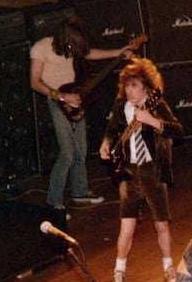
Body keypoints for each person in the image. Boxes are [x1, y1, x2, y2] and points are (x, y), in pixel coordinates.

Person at [98, 57, 183, 282]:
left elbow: (178, 130)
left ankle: (168, 266)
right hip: (128, 172)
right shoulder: (121, 107)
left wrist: (153, 121)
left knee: (162, 225)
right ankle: (119, 271)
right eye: (126, 85)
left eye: (134, 85)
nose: (129, 90)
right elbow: (112, 129)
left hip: (152, 172)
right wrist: (106, 143)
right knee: (126, 228)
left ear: (146, 86)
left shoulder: (156, 105)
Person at [30, 16, 131, 213]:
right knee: (67, 152)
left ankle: (80, 191)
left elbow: (89, 53)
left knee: (81, 150)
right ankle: (53, 203)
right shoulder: (41, 48)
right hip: (57, 101)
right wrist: (61, 96)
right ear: (65, 38)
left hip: (76, 99)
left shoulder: (72, 46)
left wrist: (118, 52)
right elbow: (34, 82)